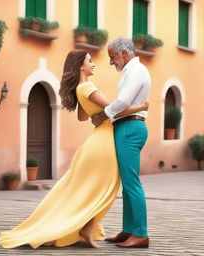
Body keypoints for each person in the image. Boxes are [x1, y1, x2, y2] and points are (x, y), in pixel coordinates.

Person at [0, 49, 148, 249]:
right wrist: (141, 107)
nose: (93, 64)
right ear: (80, 66)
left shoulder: (81, 88)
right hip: (103, 143)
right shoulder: (88, 86)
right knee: (102, 187)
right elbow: (116, 108)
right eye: (89, 61)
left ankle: (87, 228)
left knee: (94, 188)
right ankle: (89, 227)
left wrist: (100, 114)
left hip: (98, 140)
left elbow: (83, 117)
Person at [92, 37, 151, 248]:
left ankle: (141, 234)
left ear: (124, 53)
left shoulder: (137, 70)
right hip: (126, 127)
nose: (110, 62)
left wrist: (103, 114)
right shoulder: (131, 71)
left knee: (132, 183)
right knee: (127, 184)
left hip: (130, 128)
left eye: (112, 57)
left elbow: (124, 101)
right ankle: (129, 230)